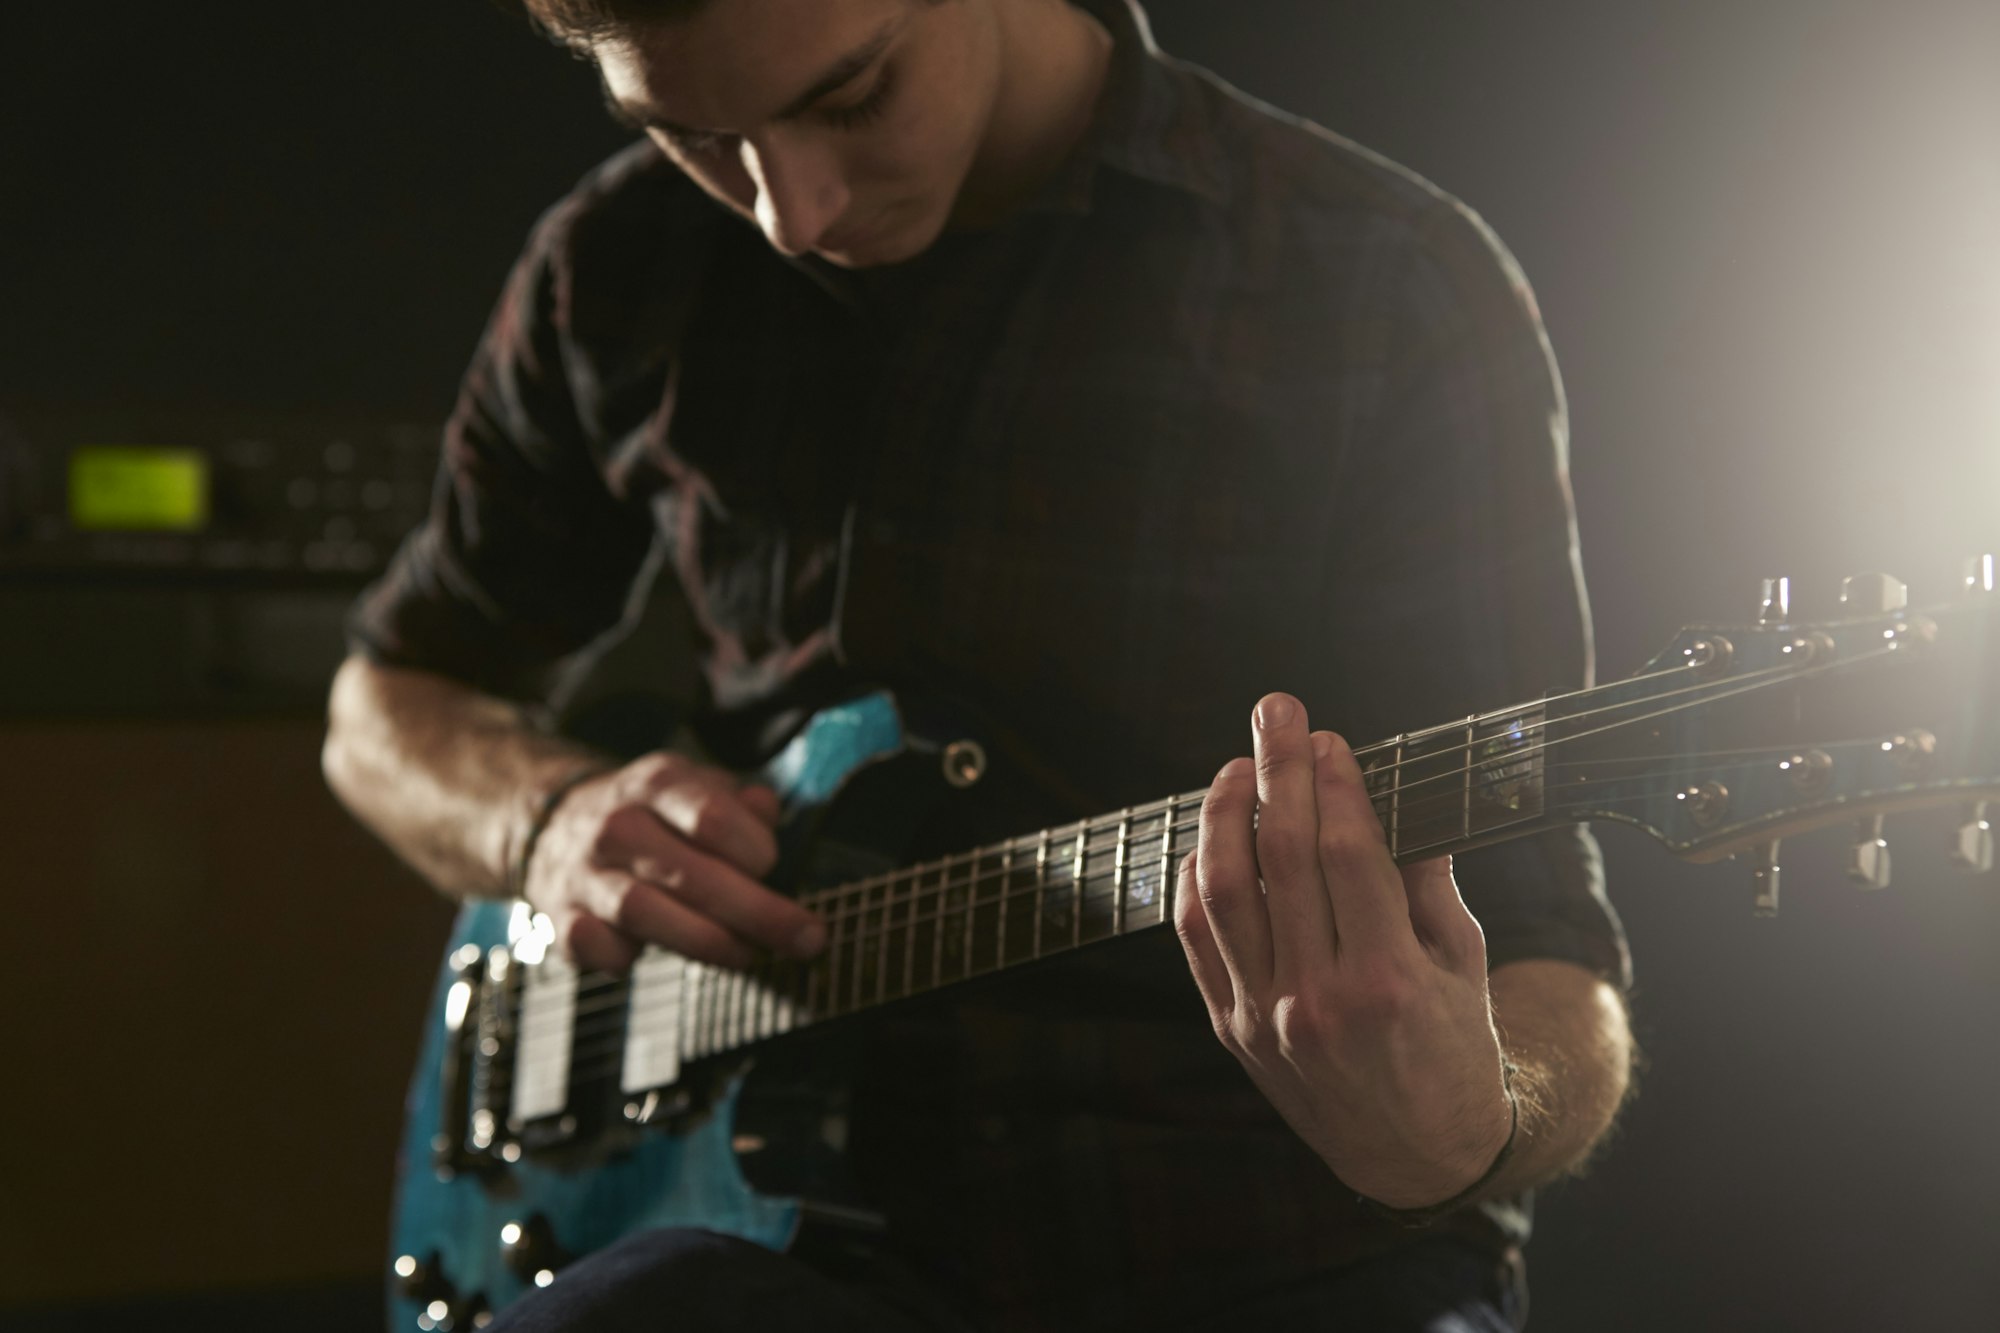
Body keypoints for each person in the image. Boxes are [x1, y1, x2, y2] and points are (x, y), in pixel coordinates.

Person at [322, 0, 1635, 1327]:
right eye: (697, 137)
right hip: (776, 1250)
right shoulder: (614, 266)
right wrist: (544, 820)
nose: (791, 208)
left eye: (852, 96)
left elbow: (1551, 953)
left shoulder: (1382, 286)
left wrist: (1463, 1123)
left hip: (1275, 1251)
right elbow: (382, 708)